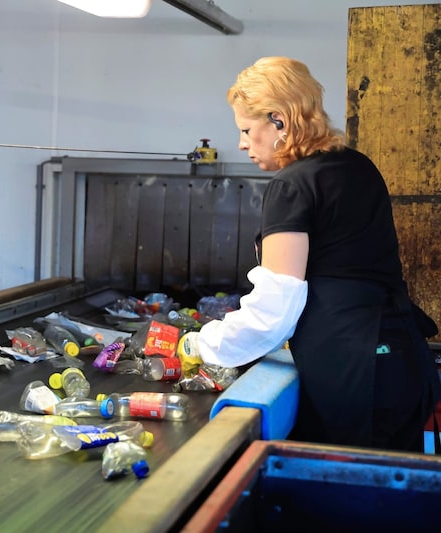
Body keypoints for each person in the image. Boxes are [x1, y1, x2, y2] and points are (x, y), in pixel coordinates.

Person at [177, 57, 440, 452]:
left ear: (279, 121)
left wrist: (201, 344)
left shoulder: (292, 186)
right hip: (400, 358)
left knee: (347, 501)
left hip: (353, 374)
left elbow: (273, 313)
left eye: (248, 130)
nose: (243, 143)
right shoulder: (357, 166)